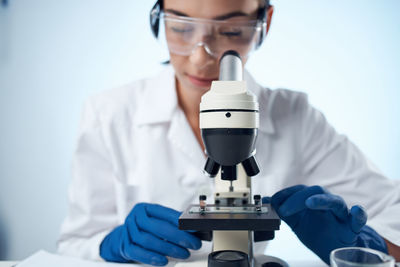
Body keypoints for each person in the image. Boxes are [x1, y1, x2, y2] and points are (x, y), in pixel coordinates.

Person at [57, 0, 400, 265]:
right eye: (179, 27)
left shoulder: (296, 117)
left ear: (264, 23)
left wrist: (365, 248)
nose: (200, 58)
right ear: (157, 18)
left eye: (233, 31)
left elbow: (393, 211)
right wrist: (109, 246)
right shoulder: (109, 113)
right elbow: (74, 245)